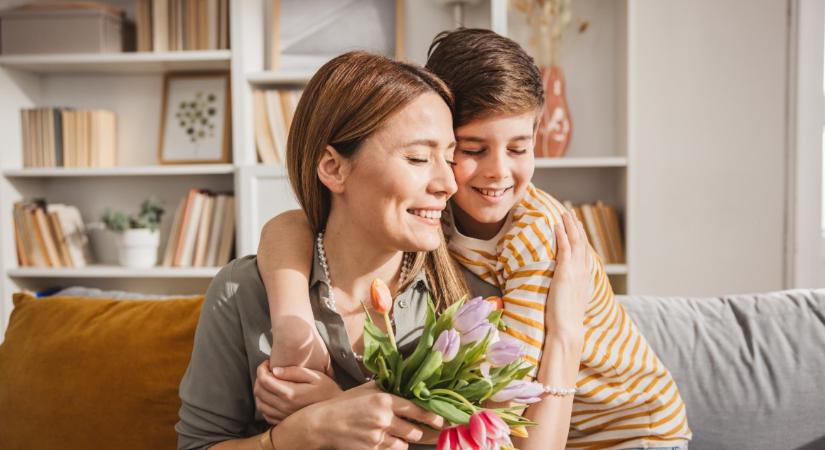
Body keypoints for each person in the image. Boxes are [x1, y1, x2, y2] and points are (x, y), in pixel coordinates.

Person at [255, 29, 691, 450]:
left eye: (519, 149)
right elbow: (292, 225)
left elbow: (510, 425)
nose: (499, 171)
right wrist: (293, 316)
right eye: (472, 150)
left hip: (637, 434)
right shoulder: (431, 211)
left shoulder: (535, 235)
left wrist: (339, 409)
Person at [176, 50, 592, 450]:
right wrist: (299, 435)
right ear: (333, 167)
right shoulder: (243, 294)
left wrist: (338, 406)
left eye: (450, 158)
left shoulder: (470, 300)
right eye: (417, 158)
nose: (448, 183)